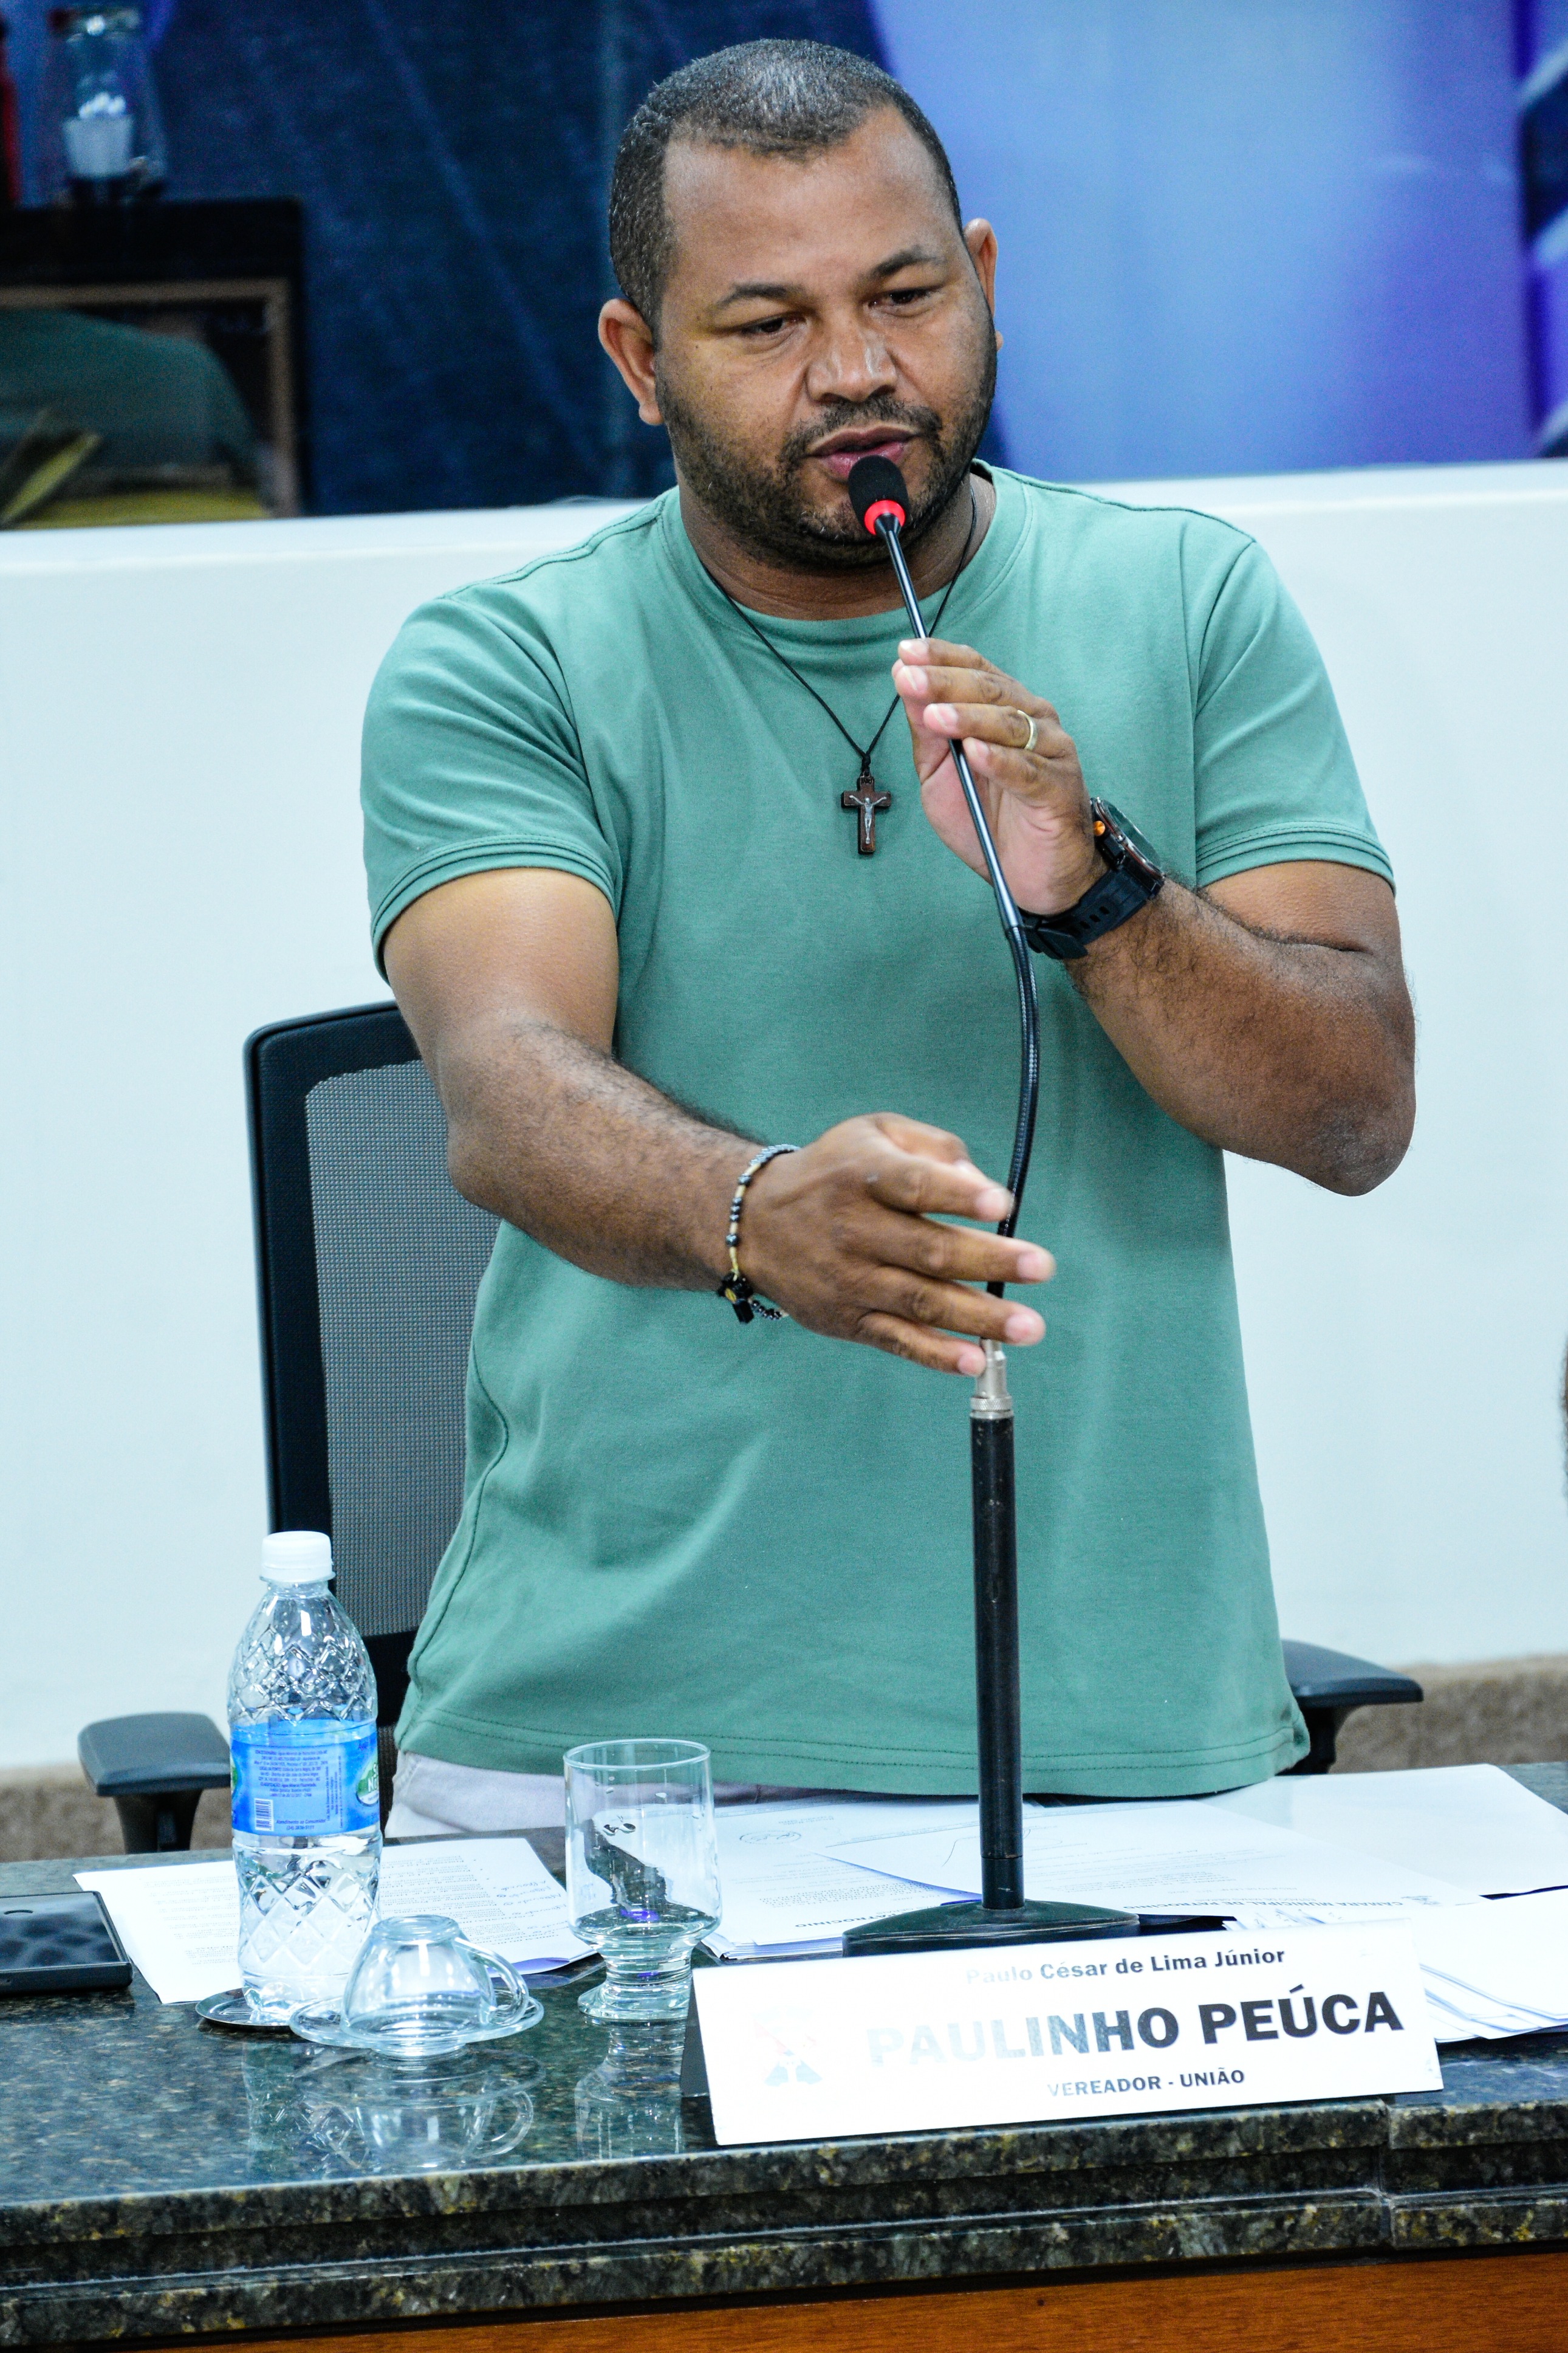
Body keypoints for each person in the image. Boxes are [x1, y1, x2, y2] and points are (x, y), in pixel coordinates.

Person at [363, 41, 1415, 1839]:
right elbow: (508, 1091)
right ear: (640, 359)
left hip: (1110, 1724)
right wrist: (761, 1213)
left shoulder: (1188, 600)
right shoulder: (508, 661)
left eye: (905, 295)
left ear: (982, 278)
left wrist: (1097, 887)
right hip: (602, 1743)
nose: (857, 369)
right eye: (767, 322)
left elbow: (1352, 1111)